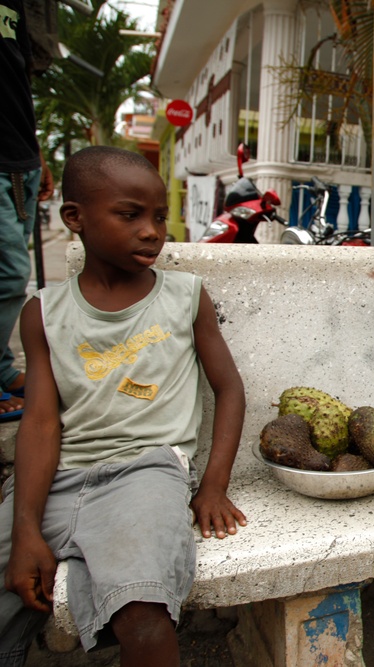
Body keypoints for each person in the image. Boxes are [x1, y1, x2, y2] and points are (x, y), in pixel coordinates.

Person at [0, 146, 247, 666]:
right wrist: (26, 525)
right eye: (129, 214)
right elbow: (41, 422)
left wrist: (213, 485)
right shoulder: (43, 313)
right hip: (61, 475)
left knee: (143, 612)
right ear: (75, 218)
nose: (152, 231)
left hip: (148, 473)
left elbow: (229, 388)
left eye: (159, 216)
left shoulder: (184, 296)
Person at [0, 0, 54, 421]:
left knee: (13, 276)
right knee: (10, 273)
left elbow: (16, 80)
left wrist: (34, 151)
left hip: (18, 159)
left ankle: (2, 369)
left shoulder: (18, 8)